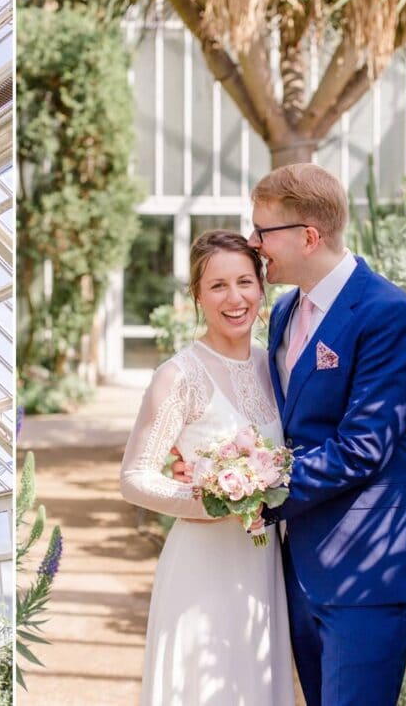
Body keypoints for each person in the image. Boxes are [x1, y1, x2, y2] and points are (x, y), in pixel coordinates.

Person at [176, 163, 406, 706]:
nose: (254, 244)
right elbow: (278, 421)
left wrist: (259, 491)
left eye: (263, 231)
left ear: (308, 236)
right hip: (301, 563)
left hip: (370, 570)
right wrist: (208, 462)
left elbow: (364, 446)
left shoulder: (388, 314)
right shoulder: (284, 311)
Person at [121, 229, 294, 706]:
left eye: (244, 281)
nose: (234, 298)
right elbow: (134, 478)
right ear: (197, 294)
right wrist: (211, 501)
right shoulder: (178, 377)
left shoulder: (275, 366)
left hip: (262, 565)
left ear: (261, 286)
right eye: (217, 285)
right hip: (202, 568)